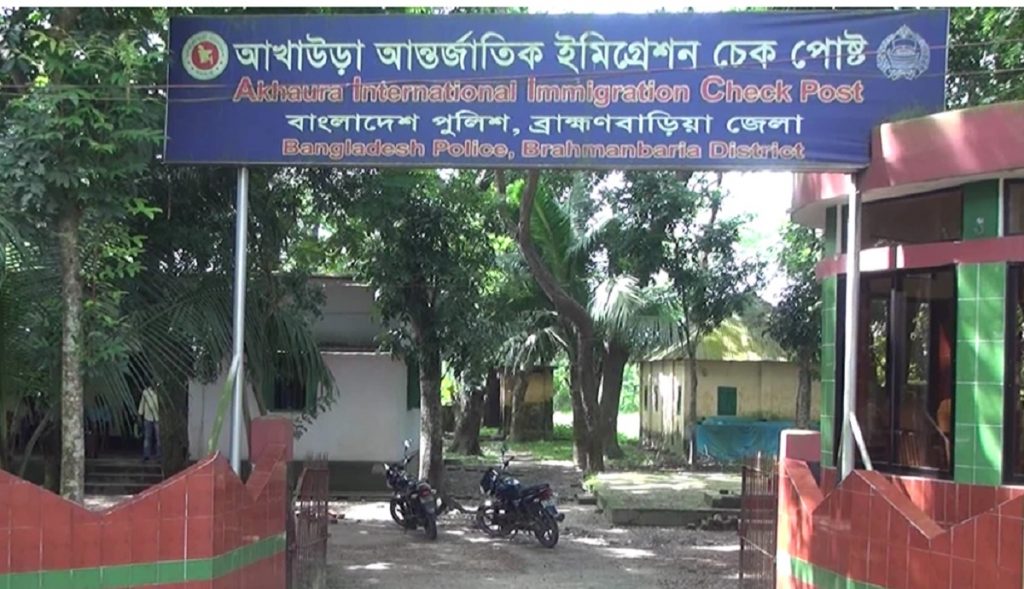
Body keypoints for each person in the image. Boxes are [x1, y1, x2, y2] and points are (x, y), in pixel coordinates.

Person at [138, 385, 160, 462]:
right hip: (148, 417)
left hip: (158, 417)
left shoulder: (160, 392)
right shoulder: (146, 392)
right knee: (147, 437)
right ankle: (146, 455)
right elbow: (142, 404)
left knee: (158, 437)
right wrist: (140, 414)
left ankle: (159, 455)